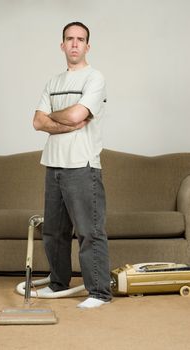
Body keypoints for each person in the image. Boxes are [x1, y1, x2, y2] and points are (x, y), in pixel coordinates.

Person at [33, 21, 112, 308]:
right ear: (62, 45)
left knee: (89, 231)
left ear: (87, 46)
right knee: (54, 231)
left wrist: (52, 117)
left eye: (80, 39)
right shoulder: (53, 82)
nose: (75, 43)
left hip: (82, 164)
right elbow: (36, 121)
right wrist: (66, 121)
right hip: (53, 164)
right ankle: (58, 284)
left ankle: (99, 292)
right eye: (70, 39)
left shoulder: (95, 78)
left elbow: (79, 113)